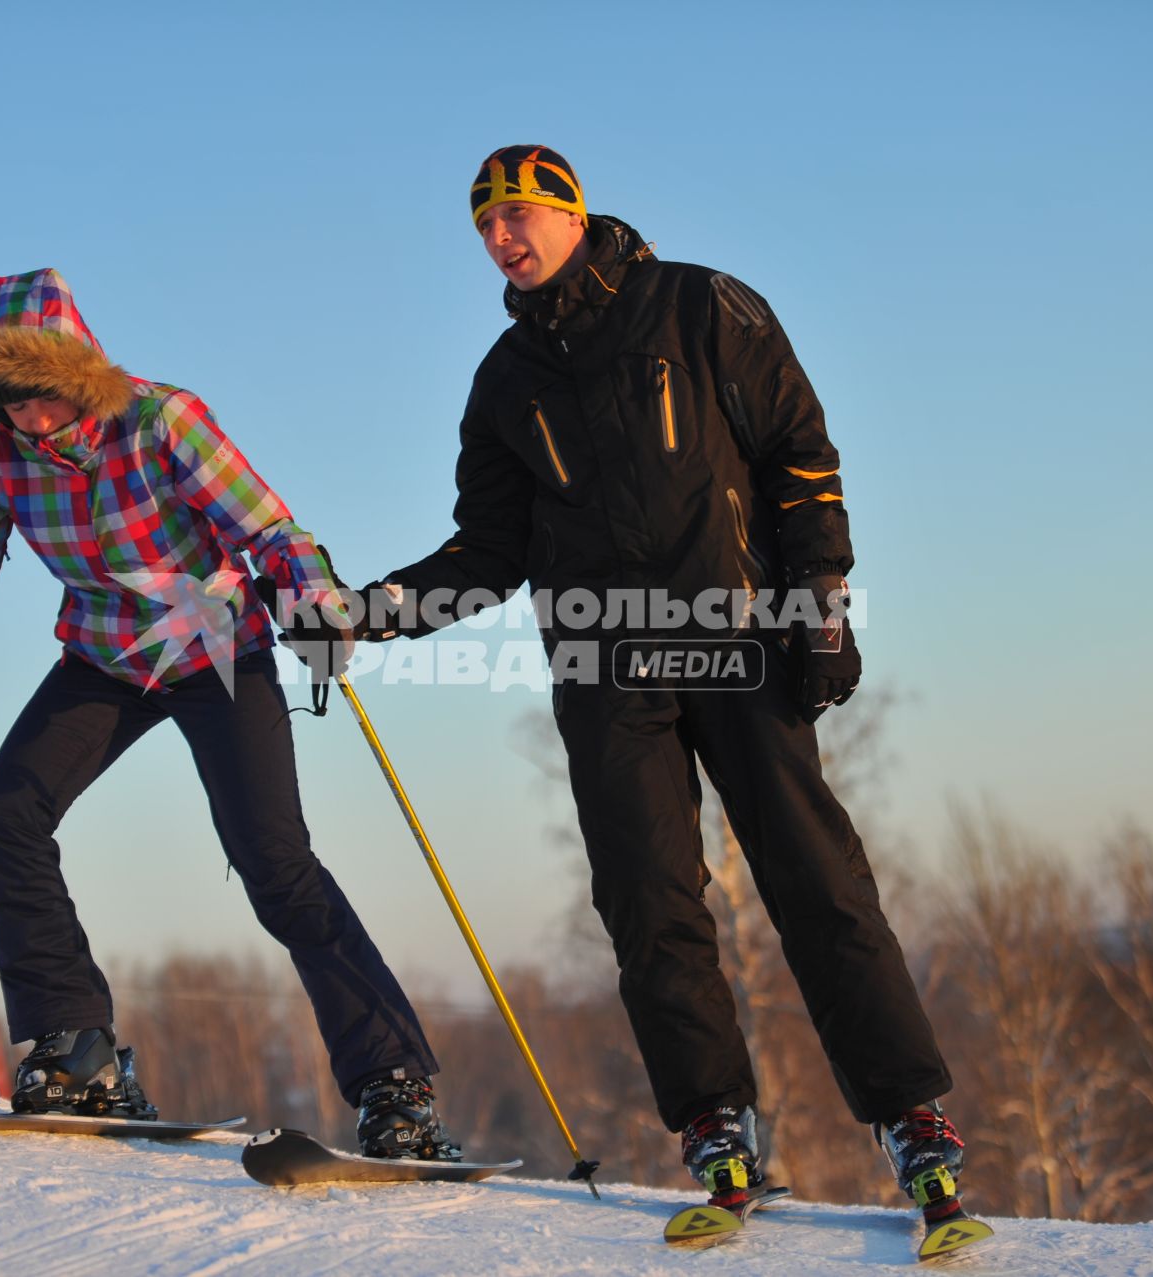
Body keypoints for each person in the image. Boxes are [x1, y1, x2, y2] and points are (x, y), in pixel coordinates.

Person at [349, 147, 964, 1208]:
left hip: (736, 637)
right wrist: (370, 611)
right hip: (605, 667)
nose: (503, 236)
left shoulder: (699, 305)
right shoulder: (504, 382)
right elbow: (487, 551)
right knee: (647, 898)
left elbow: (798, 451)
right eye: (485, 224)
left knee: (816, 879)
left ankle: (911, 1113)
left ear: (573, 214)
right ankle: (714, 1122)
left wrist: (819, 596)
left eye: (521, 214)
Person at [0, 267, 459, 1160]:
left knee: (274, 861)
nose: (29, 416)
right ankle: (76, 1049)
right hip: (105, 657)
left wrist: (312, 602)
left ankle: (397, 1088)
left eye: (42, 392)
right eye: (4, 398)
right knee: (10, 809)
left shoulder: (161, 422)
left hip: (216, 650)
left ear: (78, 374)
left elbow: (273, 531)